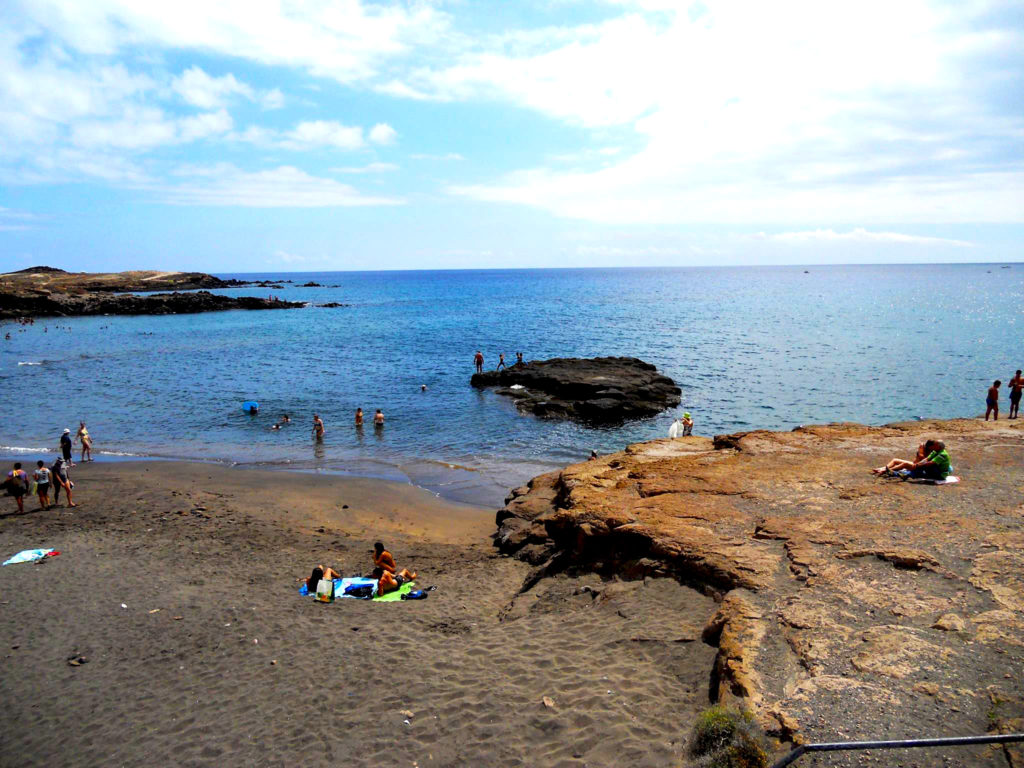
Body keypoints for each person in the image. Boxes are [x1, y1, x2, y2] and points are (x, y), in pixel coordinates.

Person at [871, 439, 951, 480]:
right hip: (931, 468)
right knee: (905, 465)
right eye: (933, 445)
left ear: (938, 446)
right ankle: (885, 469)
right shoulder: (934, 451)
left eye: (935, 445)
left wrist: (917, 466)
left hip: (939, 474)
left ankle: (886, 470)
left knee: (907, 466)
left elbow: (930, 463)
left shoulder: (942, 454)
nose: (933, 447)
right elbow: (926, 459)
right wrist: (917, 465)